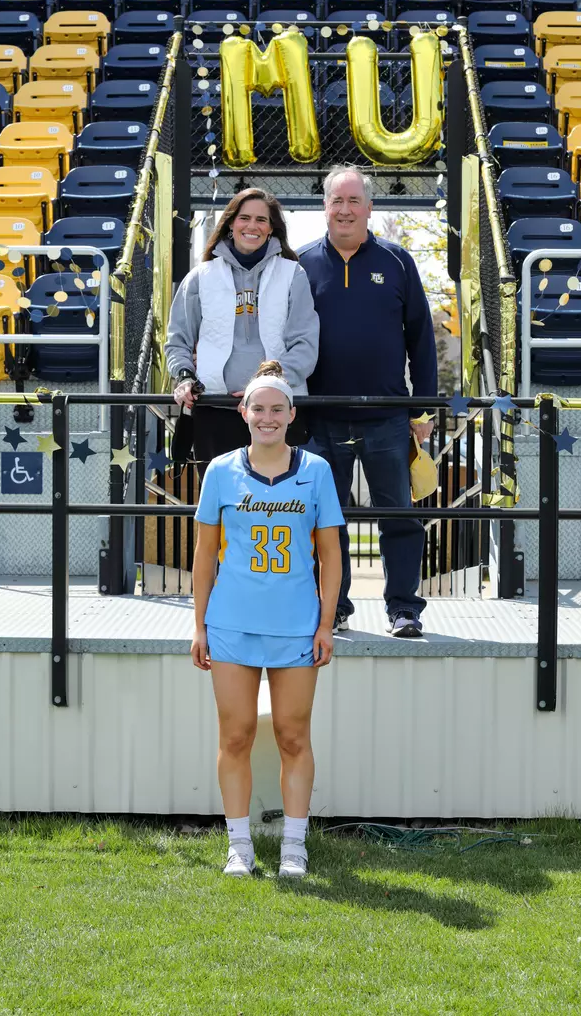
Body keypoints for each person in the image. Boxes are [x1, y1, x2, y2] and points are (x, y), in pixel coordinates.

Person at [192, 360, 343, 879]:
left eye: (277, 408)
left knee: (292, 736)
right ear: (244, 412)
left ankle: (294, 847)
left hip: (296, 626)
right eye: (259, 408)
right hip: (232, 623)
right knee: (234, 736)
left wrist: (325, 625)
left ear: (292, 413)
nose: (268, 416)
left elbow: (331, 557)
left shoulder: (316, 472)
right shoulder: (220, 471)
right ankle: (239, 847)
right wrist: (199, 625)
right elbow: (204, 555)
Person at [298, 165, 437, 639]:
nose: (345, 209)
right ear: (325, 206)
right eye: (336, 200)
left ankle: (403, 609)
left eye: (354, 200)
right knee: (326, 524)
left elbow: (421, 340)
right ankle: (333, 606)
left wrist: (422, 409)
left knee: (399, 518)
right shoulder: (300, 265)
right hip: (322, 419)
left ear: (370, 207)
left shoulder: (398, 261)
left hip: (388, 418)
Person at [165, 188, 319, 474]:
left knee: (277, 504)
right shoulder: (201, 277)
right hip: (215, 409)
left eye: (261, 219)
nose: (252, 226)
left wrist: (263, 386)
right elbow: (178, 341)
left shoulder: (293, 274)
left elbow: (305, 345)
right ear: (230, 223)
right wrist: (184, 377)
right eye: (244, 217)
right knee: (222, 508)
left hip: (274, 413)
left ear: (272, 228)